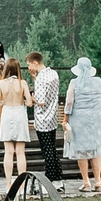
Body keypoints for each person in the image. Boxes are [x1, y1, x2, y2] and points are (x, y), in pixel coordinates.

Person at [65, 57, 101, 194]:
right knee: (96, 151)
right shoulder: (98, 82)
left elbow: (69, 102)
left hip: (79, 118)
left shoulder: (74, 82)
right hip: (96, 119)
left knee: (81, 151)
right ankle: (98, 181)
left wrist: (65, 119)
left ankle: (86, 182)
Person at [0, 58, 31, 180]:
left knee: (8, 151)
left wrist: (6, 100)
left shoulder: (1, 83)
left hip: (7, 113)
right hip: (19, 113)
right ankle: (20, 183)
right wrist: (22, 100)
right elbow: (30, 103)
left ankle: (8, 183)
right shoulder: (22, 83)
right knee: (20, 152)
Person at [28, 50, 62, 181]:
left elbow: (41, 100)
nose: (29, 68)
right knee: (53, 150)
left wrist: (32, 97)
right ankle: (58, 177)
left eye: (30, 64)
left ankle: (50, 177)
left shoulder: (41, 78)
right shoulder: (53, 73)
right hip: (52, 117)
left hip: (42, 120)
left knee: (47, 151)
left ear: (35, 63)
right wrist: (35, 78)